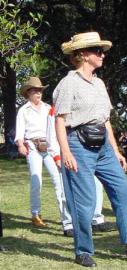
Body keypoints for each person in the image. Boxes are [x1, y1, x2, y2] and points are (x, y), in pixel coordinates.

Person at [53, 31, 127, 267]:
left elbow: (106, 121)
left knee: (123, 193)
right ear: (81, 55)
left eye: (102, 50)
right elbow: (59, 120)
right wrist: (66, 153)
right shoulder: (68, 83)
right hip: (77, 145)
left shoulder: (100, 83)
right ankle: (83, 251)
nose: (102, 55)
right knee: (85, 201)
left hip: (103, 146)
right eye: (97, 51)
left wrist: (117, 151)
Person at [14, 77, 73, 236]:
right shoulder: (23, 110)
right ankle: (35, 214)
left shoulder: (48, 108)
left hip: (50, 147)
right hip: (32, 147)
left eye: (40, 90)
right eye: (35, 90)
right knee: (36, 180)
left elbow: (55, 129)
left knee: (58, 181)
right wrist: (20, 144)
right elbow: (20, 131)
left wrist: (58, 151)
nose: (38, 93)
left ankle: (66, 219)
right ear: (28, 93)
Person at [47, 106, 114, 233]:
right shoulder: (57, 108)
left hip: (89, 152)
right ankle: (68, 223)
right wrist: (57, 156)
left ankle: (96, 219)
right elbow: (51, 135)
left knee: (96, 185)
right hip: (67, 154)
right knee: (66, 190)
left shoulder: (87, 104)